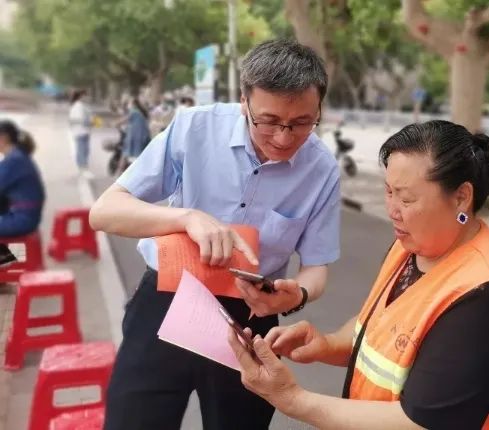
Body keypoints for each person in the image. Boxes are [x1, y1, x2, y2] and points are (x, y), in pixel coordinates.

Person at [89, 39, 340, 429]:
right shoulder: (195, 128)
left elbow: (317, 267)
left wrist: (297, 294)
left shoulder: (321, 169)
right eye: (269, 121)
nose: (284, 137)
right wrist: (187, 218)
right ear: (244, 101)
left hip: (249, 319)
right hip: (167, 300)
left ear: (318, 109)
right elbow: (105, 211)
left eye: (302, 122)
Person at [229, 121, 489, 430]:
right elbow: (384, 327)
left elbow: (420, 423)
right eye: (388, 191)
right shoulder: (410, 246)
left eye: (406, 199)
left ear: (461, 198)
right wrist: (329, 344)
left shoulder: (487, 300)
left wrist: (292, 399)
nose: (392, 209)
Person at [0, 121, 45, 266]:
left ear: (4, 138)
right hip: (25, 216)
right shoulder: (17, 156)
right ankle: (7, 262)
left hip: (22, 220)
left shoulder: (14, 161)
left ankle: (7, 262)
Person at [115, 97, 151, 171]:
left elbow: (125, 120)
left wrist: (116, 123)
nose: (129, 105)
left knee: (125, 154)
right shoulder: (142, 112)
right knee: (138, 156)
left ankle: (118, 175)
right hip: (143, 137)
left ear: (133, 104)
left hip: (135, 138)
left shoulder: (134, 112)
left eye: (129, 103)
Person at [68, 89, 93, 177]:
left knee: (84, 150)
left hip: (83, 131)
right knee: (82, 150)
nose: (88, 97)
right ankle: (83, 169)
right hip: (80, 131)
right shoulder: (78, 106)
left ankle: (82, 168)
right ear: (81, 96)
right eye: (86, 95)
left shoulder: (81, 106)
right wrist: (90, 121)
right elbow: (79, 119)